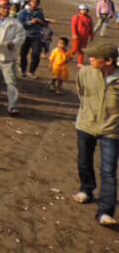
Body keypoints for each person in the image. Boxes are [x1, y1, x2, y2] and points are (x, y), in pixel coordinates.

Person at [72, 43, 119, 226]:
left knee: (108, 171)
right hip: (86, 124)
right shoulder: (85, 73)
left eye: (94, 57)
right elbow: (81, 93)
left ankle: (105, 212)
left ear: (108, 61)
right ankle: (86, 189)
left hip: (112, 130)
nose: (89, 59)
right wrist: (88, 112)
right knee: (84, 161)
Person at [17, 0, 46, 78]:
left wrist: (40, 22)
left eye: (36, 2)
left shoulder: (39, 13)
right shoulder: (23, 12)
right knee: (23, 53)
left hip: (36, 36)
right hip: (25, 35)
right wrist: (30, 22)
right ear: (29, 2)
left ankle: (31, 71)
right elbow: (19, 24)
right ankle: (23, 70)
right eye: (33, 1)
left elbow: (44, 24)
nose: (34, 3)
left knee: (36, 53)